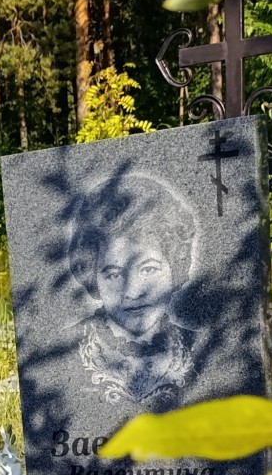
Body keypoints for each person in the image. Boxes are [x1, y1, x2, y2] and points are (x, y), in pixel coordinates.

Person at [67, 171, 199, 409]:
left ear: (175, 265)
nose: (133, 292)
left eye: (149, 269)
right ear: (92, 275)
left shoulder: (205, 346)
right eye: (114, 274)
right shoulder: (61, 352)